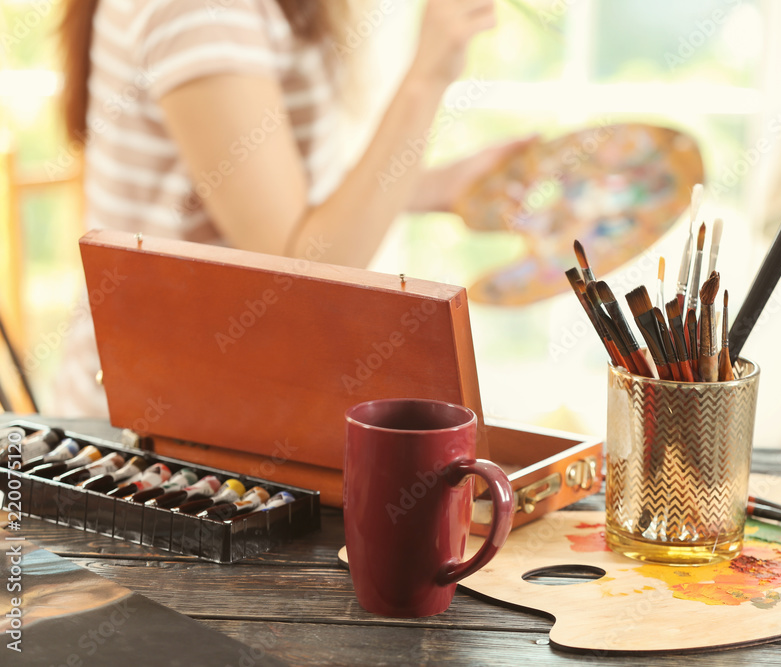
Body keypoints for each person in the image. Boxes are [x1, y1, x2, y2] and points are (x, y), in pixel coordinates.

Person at [53, 0, 528, 416]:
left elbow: (286, 199)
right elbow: (304, 268)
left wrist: (432, 187)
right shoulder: (203, 12)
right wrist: (428, 74)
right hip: (146, 440)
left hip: (213, 403)